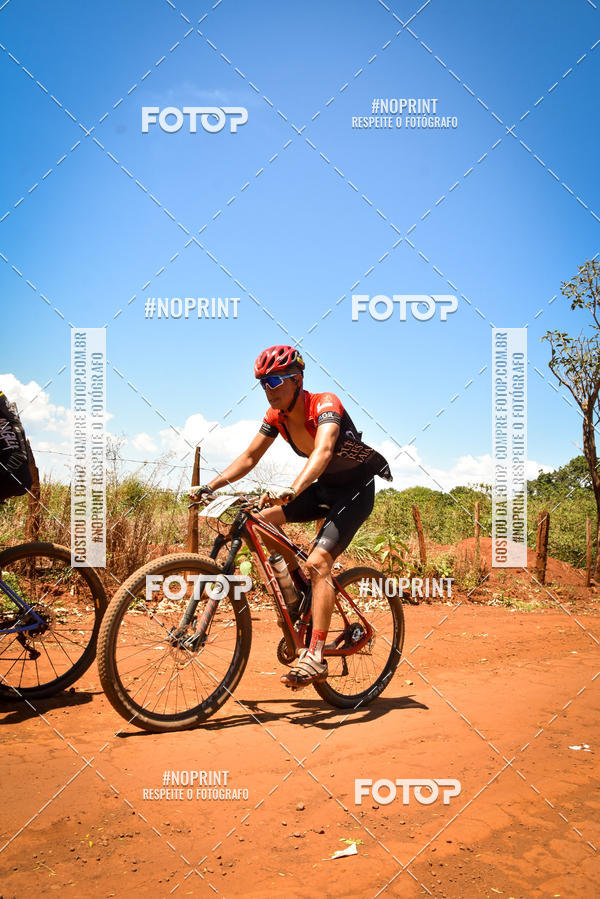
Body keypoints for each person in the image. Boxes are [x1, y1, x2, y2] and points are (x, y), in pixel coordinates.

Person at [192, 345, 392, 688]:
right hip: (323, 487)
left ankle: (314, 655)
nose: (269, 389)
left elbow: (325, 450)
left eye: (276, 380)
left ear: (297, 380)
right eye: (263, 383)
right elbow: (249, 457)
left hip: (354, 491)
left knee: (319, 563)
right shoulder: (276, 417)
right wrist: (209, 486)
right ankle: (298, 590)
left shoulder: (324, 404)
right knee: (261, 522)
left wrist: (294, 488)